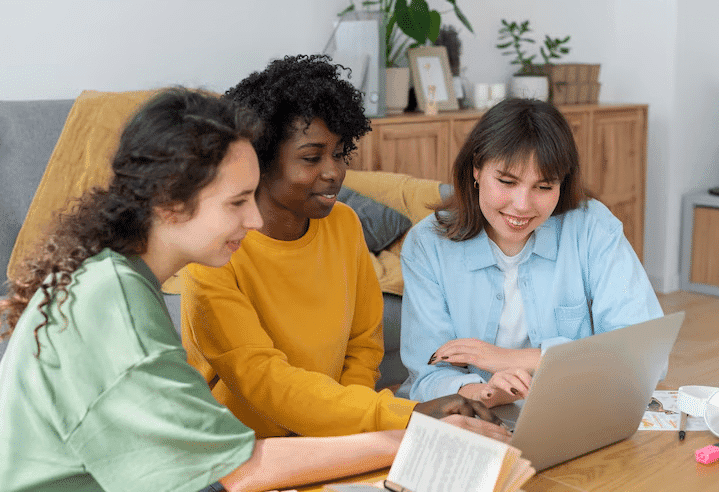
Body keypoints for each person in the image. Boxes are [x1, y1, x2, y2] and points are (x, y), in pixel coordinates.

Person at [0, 88, 509, 492]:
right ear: (171, 202)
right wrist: (417, 437)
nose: (256, 217)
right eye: (237, 201)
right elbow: (237, 470)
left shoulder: (117, 279)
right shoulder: (114, 304)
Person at [180, 54, 494, 438]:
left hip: (332, 437)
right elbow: (266, 383)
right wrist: (405, 414)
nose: (334, 173)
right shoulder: (213, 255)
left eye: (341, 153)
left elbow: (363, 344)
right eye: (312, 157)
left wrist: (349, 422)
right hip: (242, 450)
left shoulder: (344, 224)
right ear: (258, 160)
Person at [397, 97, 664, 407]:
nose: (522, 205)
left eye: (544, 186)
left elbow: (645, 354)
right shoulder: (428, 245)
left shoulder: (592, 227)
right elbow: (427, 376)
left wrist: (510, 359)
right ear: (476, 169)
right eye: (507, 182)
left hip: (571, 407)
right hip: (471, 417)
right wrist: (484, 392)